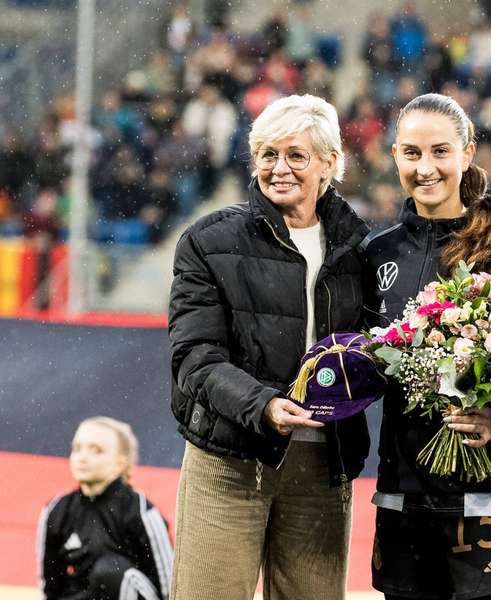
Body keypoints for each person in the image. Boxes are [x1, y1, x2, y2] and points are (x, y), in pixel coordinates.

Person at [168, 94, 369, 600]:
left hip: (324, 467)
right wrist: (263, 406)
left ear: (329, 163)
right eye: (267, 154)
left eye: (296, 156)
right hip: (229, 462)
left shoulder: (361, 248)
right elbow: (194, 357)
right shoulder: (206, 242)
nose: (279, 169)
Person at [362, 93, 491, 600]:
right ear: (395, 156)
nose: (425, 168)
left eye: (439, 152)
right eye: (410, 153)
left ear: (468, 152)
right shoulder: (376, 255)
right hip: (403, 498)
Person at [38, 417, 172, 600]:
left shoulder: (139, 510)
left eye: (96, 451)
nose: (82, 457)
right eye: (77, 449)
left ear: (120, 463)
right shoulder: (57, 510)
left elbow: (170, 586)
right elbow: (51, 586)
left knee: (109, 570)